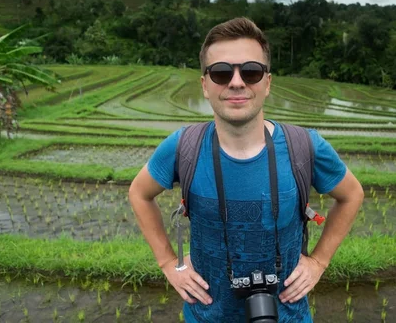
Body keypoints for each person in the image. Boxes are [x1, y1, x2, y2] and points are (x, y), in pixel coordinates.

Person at [129, 17, 364, 322]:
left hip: (289, 315)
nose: (236, 82)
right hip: (206, 315)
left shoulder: (304, 146)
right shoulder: (182, 146)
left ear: (267, 83)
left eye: (251, 71)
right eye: (221, 73)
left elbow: (351, 194)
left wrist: (318, 262)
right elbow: (139, 192)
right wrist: (167, 262)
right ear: (205, 85)